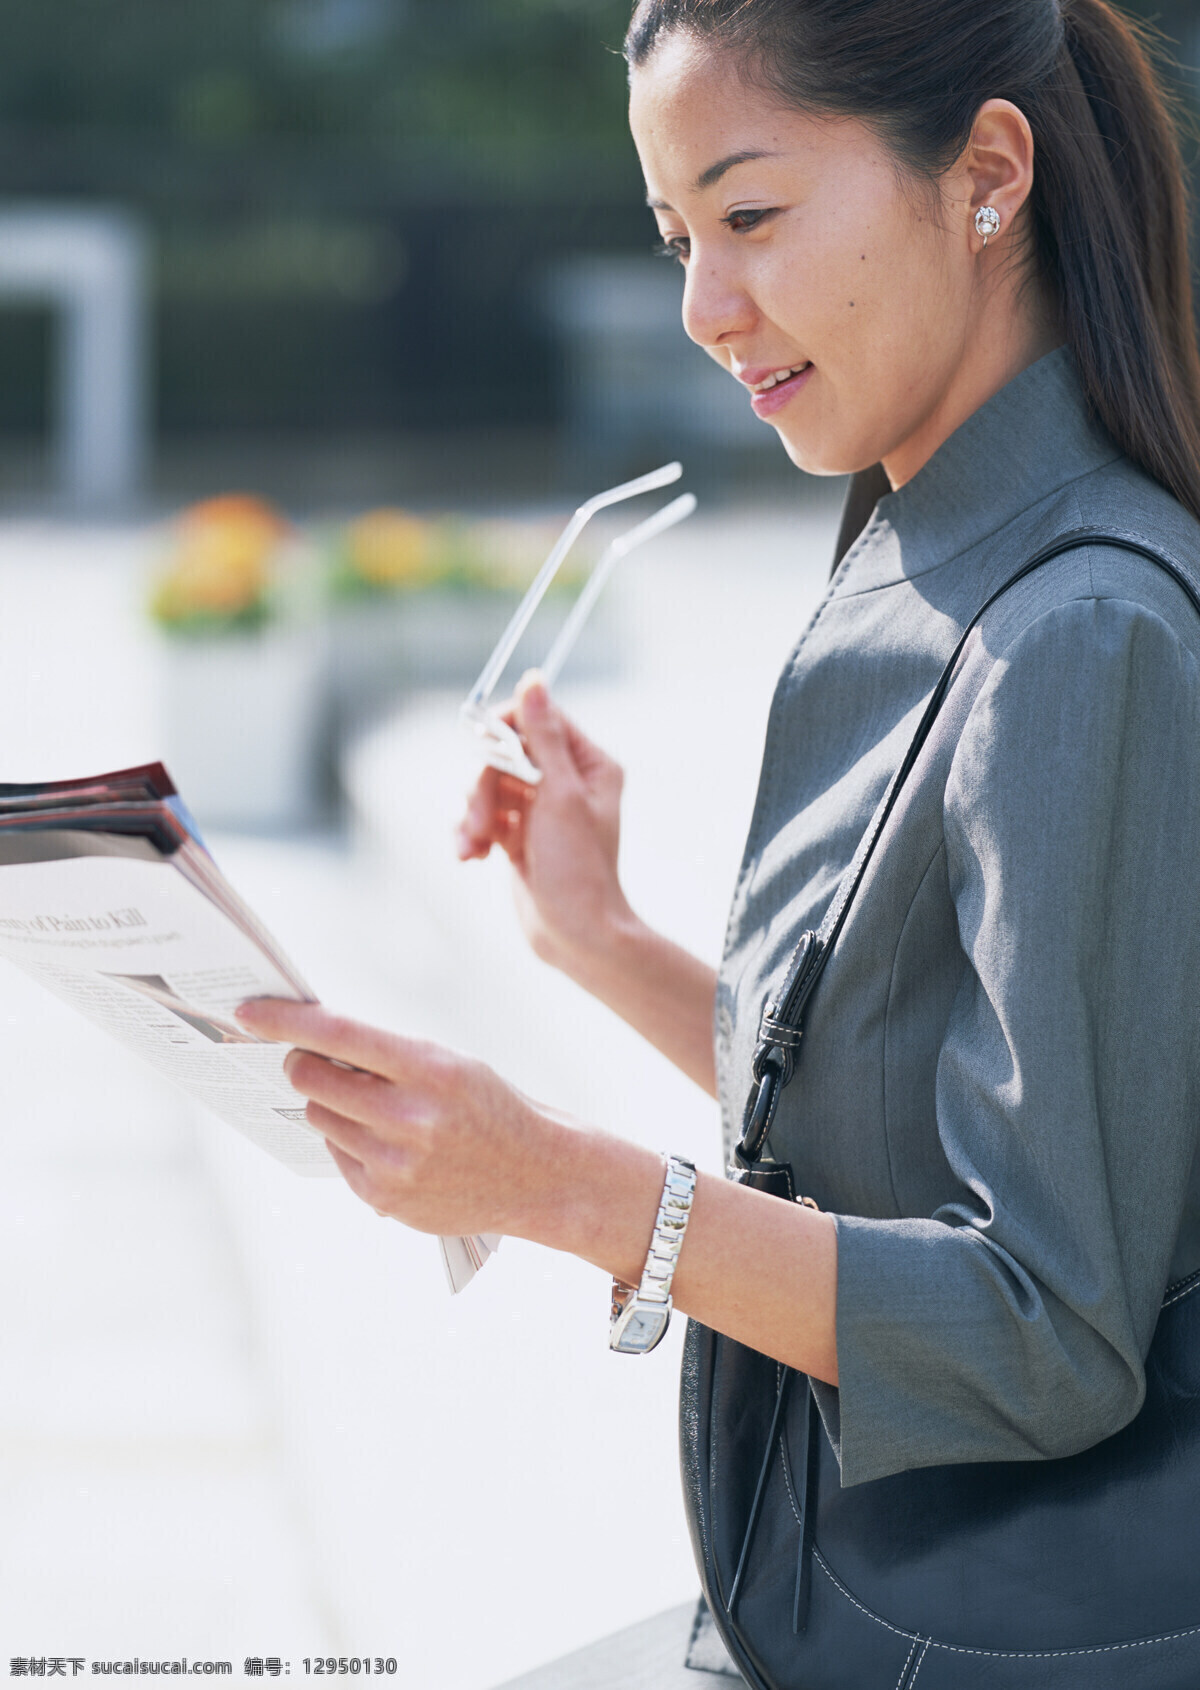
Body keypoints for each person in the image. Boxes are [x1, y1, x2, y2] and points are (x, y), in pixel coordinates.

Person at [236, 0, 1200, 1676]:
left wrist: (567, 1188)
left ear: (986, 173)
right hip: (832, 1586)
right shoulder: (948, 543)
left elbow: (1049, 1332)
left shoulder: (1081, 628)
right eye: (678, 233)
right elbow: (897, 1125)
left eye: (749, 215)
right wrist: (596, 935)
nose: (704, 306)